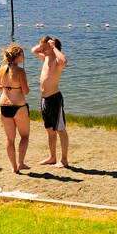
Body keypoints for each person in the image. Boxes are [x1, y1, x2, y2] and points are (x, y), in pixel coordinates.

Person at [0, 43, 30, 173]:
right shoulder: (20, 71)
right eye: (22, 55)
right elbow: (26, 91)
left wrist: (4, 87)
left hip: (4, 105)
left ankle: (13, 167)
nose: (23, 57)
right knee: (24, 136)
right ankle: (21, 163)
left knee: (10, 138)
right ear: (17, 56)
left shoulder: (2, 69)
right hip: (18, 106)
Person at [33, 36, 69, 166]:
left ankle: (64, 160)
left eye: (44, 47)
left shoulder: (56, 60)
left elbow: (64, 61)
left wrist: (53, 46)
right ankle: (52, 157)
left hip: (54, 98)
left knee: (60, 130)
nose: (42, 49)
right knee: (49, 130)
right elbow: (33, 50)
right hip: (44, 99)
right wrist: (44, 44)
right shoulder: (46, 57)